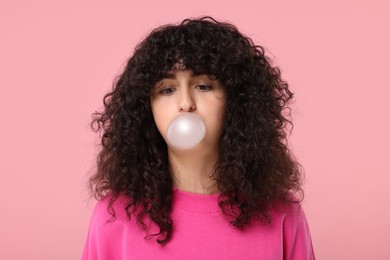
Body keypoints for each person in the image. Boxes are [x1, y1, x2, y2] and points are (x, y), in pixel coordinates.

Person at [82, 16, 316, 259]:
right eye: (167, 90)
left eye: (203, 86)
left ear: (236, 101)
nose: (185, 104)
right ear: (146, 108)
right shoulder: (114, 217)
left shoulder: (282, 214)